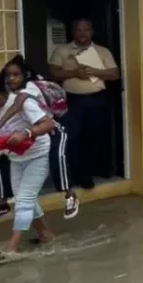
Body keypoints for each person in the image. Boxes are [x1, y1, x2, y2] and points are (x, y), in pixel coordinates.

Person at [0, 56, 77, 219]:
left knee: (58, 156)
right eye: (8, 75)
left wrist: (1, 123)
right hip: (40, 130)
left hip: (54, 126)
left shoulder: (29, 88)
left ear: (25, 75)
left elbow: (16, 106)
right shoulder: (16, 91)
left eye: (15, 75)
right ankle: (3, 200)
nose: (11, 79)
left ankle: (70, 194)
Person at [49, 19, 119, 191]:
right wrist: (75, 73)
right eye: (78, 30)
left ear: (92, 32)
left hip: (96, 98)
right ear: (72, 32)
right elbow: (53, 74)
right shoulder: (62, 50)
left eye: (86, 30)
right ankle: (74, 174)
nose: (82, 33)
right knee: (72, 138)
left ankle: (87, 174)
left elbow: (115, 74)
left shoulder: (102, 51)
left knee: (94, 137)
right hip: (72, 100)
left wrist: (94, 71)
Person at [0, 81, 58, 253]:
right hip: (16, 159)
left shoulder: (21, 102)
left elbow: (48, 124)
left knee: (24, 200)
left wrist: (26, 133)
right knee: (24, 199)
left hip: (39, 155)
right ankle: (45, 234)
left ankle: (12, 247)